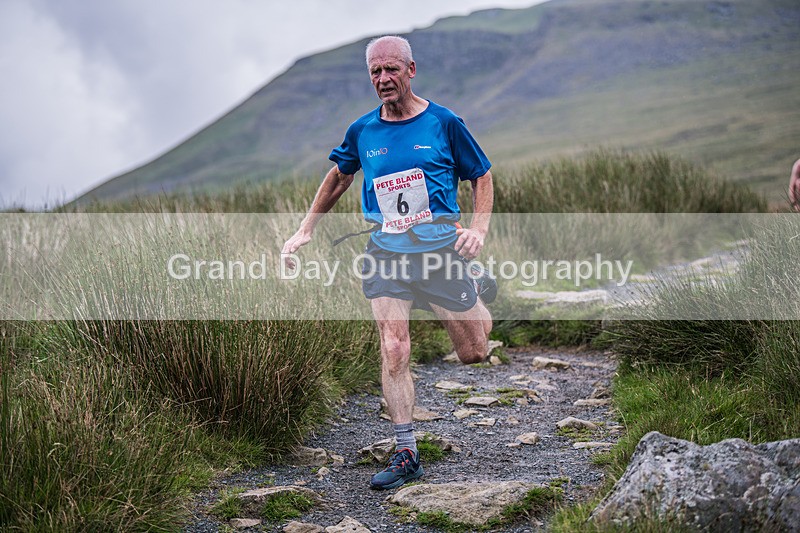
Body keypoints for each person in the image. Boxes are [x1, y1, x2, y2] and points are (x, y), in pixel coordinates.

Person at [281, 35, 495, 490]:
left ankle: (475, 288)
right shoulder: (363, 130)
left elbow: (481, 174)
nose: (383, 79)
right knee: (394, 346)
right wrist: (306, 228)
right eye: (375, 72)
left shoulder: (444, 122)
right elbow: (339, 174)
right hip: (386, 254)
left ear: (411, 70)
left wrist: (477, 230)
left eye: (391, 70)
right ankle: (406, 451)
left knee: (474, 353)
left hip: (439, 251)